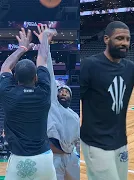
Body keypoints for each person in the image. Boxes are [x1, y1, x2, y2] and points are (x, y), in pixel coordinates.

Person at [80, 21, 134, 180]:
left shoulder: (129, 67)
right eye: (119, 38)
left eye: (128, 39)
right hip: (96, 143)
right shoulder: (90, 65)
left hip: (120, 141)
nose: (124, 43)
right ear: (106, 39)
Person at [0, 27, 57, 179]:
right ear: (36, 78)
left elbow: (5, 67)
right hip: (44, 159)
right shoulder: (44, 92)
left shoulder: (8, 93)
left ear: (15, 78)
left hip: (18, 160)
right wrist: (44, 39)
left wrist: (22, 48)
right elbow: (42, 60)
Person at [33, 25, 80, 180]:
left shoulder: (74, 116)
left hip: (71, 156)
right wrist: (45, 43)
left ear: (71, 97)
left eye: (67, 92)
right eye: (61, 91)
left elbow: (78, 140)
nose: (63, 93)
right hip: (54, 157)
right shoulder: (53, 104)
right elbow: (49, 70)